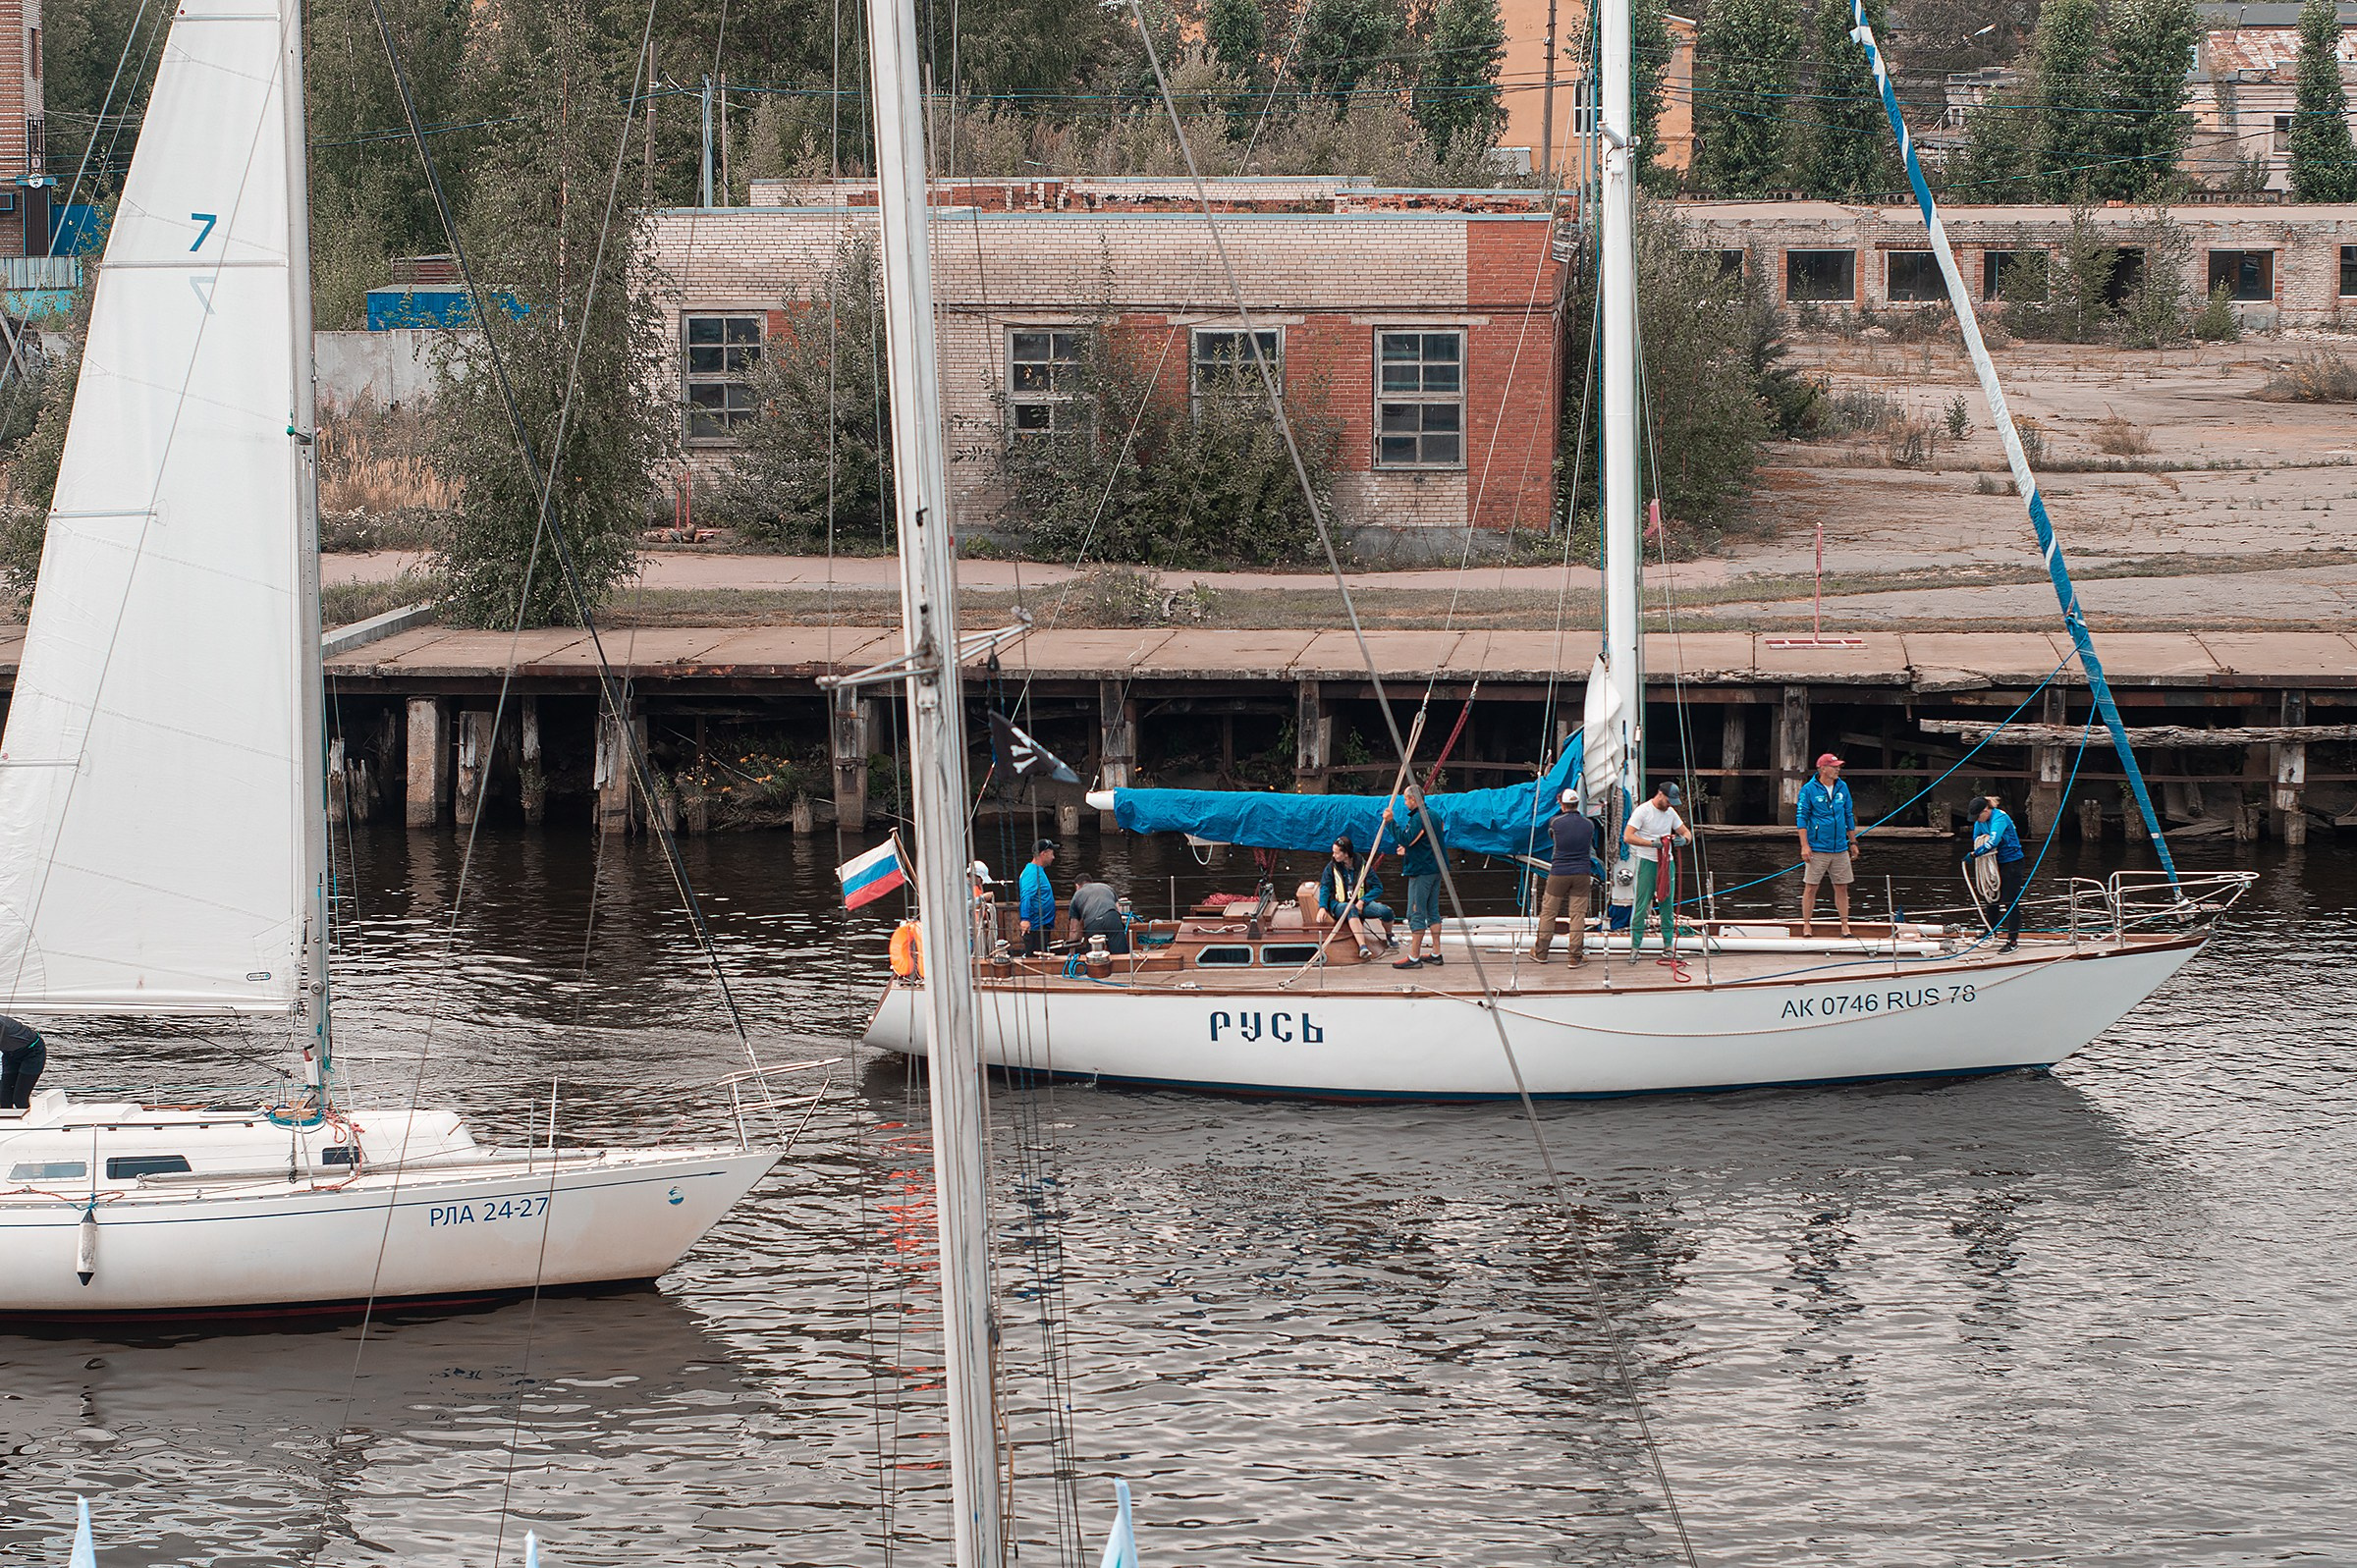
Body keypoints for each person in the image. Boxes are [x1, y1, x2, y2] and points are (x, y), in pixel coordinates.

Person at [1623, 782, 1693, 958]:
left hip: (1667, 863)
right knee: (1641, 905)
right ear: (1660, 794)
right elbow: (1628, 836)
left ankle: (1668, 946)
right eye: (1669, 801)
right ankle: (1635, 947)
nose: (1670, 805)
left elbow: (1687, 833)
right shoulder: (1643, 811)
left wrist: (1684, 840)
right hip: (1647, 862)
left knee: (1667, 904)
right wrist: (1650, 844)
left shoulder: (1671, 812)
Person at [1795, 751, 1861, 939]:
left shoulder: (1842, 787)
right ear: (1823, 769)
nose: (1838, 770)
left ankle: (1845, 925)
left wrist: (1853, 841)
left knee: (1842, 886)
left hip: (1840, 847)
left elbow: (1848, 814)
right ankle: (1806, 924)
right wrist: (1804, 846)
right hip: (1817, 847)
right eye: (1834, 767)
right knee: (1811, 886)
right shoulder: (1809, 789)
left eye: (1838, 767)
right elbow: (1802, 817)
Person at [1384, 783, 1448, 970]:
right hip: (1436, 868)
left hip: (1422, 871)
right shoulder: (1435, 815)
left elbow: (1406, 838)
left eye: (1406, 799)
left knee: (1416, 912)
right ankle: (1436, 953)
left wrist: (1390, 822)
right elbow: (1428, 840)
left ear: (1413, 799)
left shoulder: (1419, 817)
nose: (1405, 803)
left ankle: (1414, 956)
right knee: (1433, 911)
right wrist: (1410, 850)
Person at [1532, 788, 1597, 966]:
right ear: (1577, 803)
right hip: (1582, 873)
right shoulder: (1589, 824)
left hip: (1559, 872)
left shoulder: (1555, 822)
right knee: (1577, 915)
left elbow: (1552, 836)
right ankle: (1575, 956)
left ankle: (1541, 953)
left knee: (1549, 912)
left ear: (1562, 804)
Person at [1318, 836, 1396, 958]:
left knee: (1386, 911)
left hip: (1361, 904)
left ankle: (1389, 935)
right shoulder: (1331, 867)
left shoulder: (1363, 866)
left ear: (1346, 854)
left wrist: (1363, 900)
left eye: (1336, 853)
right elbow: (1325, 887)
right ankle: (1362, 946)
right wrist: (1322, 907)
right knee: (1350, 908)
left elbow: (1378, 887)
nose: (1333, 856)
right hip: (1340, 905)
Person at [1970, 795, 2028, 951]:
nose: (1977, 820)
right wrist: (1978, 849)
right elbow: (1976, 838)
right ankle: (1990, 931)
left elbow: (1993, 842)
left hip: (2012, 862)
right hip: (1995, 863)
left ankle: (2013, 941)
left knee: (2009, 900)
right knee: (1991, 898)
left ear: (1986, 810)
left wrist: (1975, 854)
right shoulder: (1980, 821)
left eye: (1978, 816)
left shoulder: (1999, 818)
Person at [1067, 878, 1131, 955]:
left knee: (1094, 955)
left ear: (1077, 886)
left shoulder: (1077, 895)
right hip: (1112, 917)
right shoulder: (1106, 887)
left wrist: (1071, 952)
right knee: (1121, 954)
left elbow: (1074, 929)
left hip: (1093, 923)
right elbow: (1118, 910)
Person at [1016, 838, 1058, 954]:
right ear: (1043, 854)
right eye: (1051, 854)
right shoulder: (1031, 872)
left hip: (1042, 925)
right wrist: (1025, 919)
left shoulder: (1038, 871)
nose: (1053, 857)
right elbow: (1026, 896)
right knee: (1035, 957)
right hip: (1036, 927)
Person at [0, 1014, 43, 1109]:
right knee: (4, 1100)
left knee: (20, 1100)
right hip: (10, 1053)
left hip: (32, 1051)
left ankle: (30, 1117)